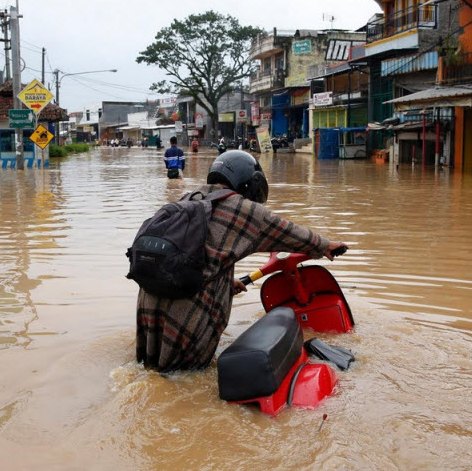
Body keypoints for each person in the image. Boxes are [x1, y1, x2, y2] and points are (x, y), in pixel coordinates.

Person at [136, 150, 347, 372]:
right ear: (250, 182)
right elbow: (289, 233)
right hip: (187, 308)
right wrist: (325, 245)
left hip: (149, 298)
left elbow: (198, 255)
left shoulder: (191, 198)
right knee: (183, 376)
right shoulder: (246, 210)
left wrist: (227, 283)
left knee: (147, 369)